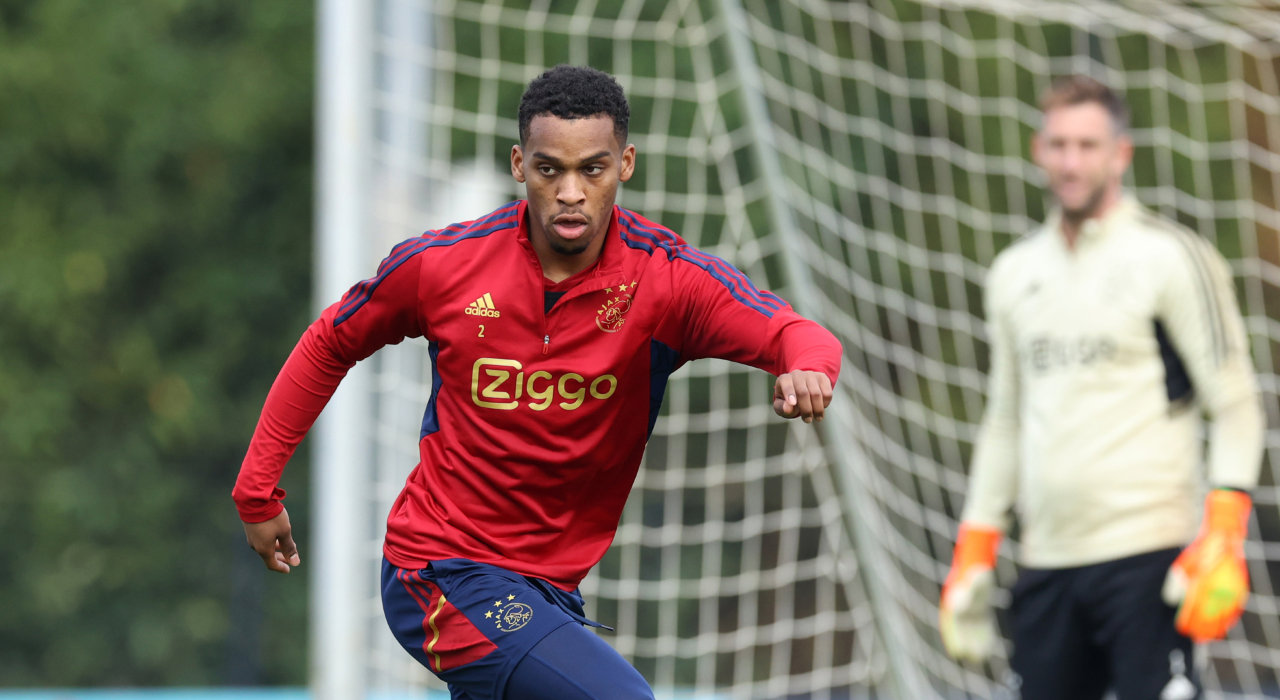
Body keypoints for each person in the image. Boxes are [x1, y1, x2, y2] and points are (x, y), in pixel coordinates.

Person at [232, 65, 841, 700]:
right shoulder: (443, 267)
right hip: (439, 571)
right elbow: (330, 340)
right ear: (520, 165)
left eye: (592, 170)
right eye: (550, 170)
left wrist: (807, 368)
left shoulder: (666, 282)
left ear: (625, 164)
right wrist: (256, 492)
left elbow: (797, 334)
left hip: (549, 593)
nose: (571, 192)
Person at [938, 74, 1266, 700]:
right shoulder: (1013, 273)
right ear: (1038, 151)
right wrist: (974, 548)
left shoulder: (1170, 257)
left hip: (1149, 559)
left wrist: (1224, 534)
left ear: (1121, 154)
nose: (1071, 162)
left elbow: (1235, 404)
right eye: (1058, 144)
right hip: (1047, 563)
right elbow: (1005, 421)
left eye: (1088, 145)